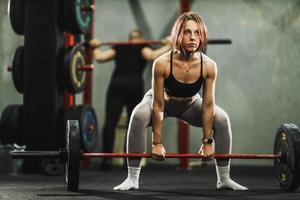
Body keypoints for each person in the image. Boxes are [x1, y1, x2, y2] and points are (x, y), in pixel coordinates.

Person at [113, 12, 248, 191]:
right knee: (138, 115)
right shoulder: (161, 63)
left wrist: (208, 141)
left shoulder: (208, 66)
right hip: (162, 101)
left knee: (222, 118)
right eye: (187, 32)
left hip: (190, 105)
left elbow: (208, 105)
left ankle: (224, 179)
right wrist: (157, 143)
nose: (193, 38)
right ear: (177, 34)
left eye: (197, 33)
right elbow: (158, 104)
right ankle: (132, 178)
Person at [90, 29, 172, 170]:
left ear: (129, 38)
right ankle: (128, 160)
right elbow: (153, 56)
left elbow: (99, 57)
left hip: (117, 85)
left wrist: (95, 46)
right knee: (131, 124)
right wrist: (169, 44)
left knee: (111, 122)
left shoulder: (120, 46)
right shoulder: (143, 47)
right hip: (134, 86)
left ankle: (107, 160)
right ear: (141, 38)